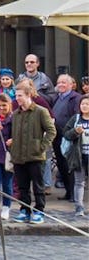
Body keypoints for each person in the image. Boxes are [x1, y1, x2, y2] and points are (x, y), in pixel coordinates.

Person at [9, 81, 55, 224]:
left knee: (38, 186)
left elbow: (51, 131)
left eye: (20, 95)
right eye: (16, 95)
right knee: (22, 186)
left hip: (35, 155)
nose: (17, 98)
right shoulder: (16, 114)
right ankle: (25, 209)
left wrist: (42, 146)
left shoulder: (40, 111)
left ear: (28, 95)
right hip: (18, 156)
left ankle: (39, 210)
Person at [49, 74, 83, 202]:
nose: (61, 85)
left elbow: (76, 117)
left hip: (70, 137)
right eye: (59, 83)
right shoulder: (56, 98)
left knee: (71, 166)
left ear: (70, 85)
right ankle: (68, 192)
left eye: (64, 82)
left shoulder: (76, 98)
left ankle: (74, 194)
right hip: (57, 137)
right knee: (62, 166)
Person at [63, 96, 89, 217]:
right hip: (79, 155)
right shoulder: (76, 118)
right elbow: (66, 133)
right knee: (79, 182)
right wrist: (75, 132)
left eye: (87, 104)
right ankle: (79, 207)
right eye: (83, 104)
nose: (84, 106)